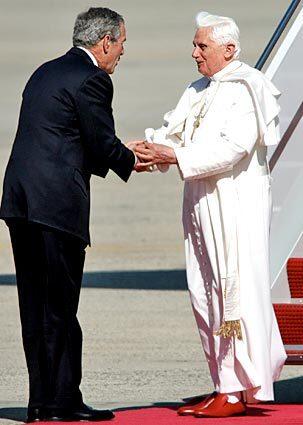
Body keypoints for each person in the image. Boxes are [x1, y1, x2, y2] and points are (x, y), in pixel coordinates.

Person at [134, 11, 287, 418]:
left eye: (202, 46)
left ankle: (240, 389)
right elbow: (174, 130)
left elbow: (230, 150)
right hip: (200, 201)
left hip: (233, 206)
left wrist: (173, 155)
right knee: (204, 292)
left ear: (229, 49)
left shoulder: (248, 88)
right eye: (195, 44)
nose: (194, 53)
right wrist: (148, 151)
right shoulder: (199, 87)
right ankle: (225, 382)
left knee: (233, 292)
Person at [0, 7, 142, 423]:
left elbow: (61, 135)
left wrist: (121, 156)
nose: (121, 54)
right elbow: (99, 143)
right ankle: (61, 402)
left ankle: (42, 401)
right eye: (121, 44)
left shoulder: (45, 71)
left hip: (22, 203)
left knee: (36, 307)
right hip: (56, 208)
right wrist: (134, 160)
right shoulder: (93, 79)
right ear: (104, 43)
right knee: (60, 307)